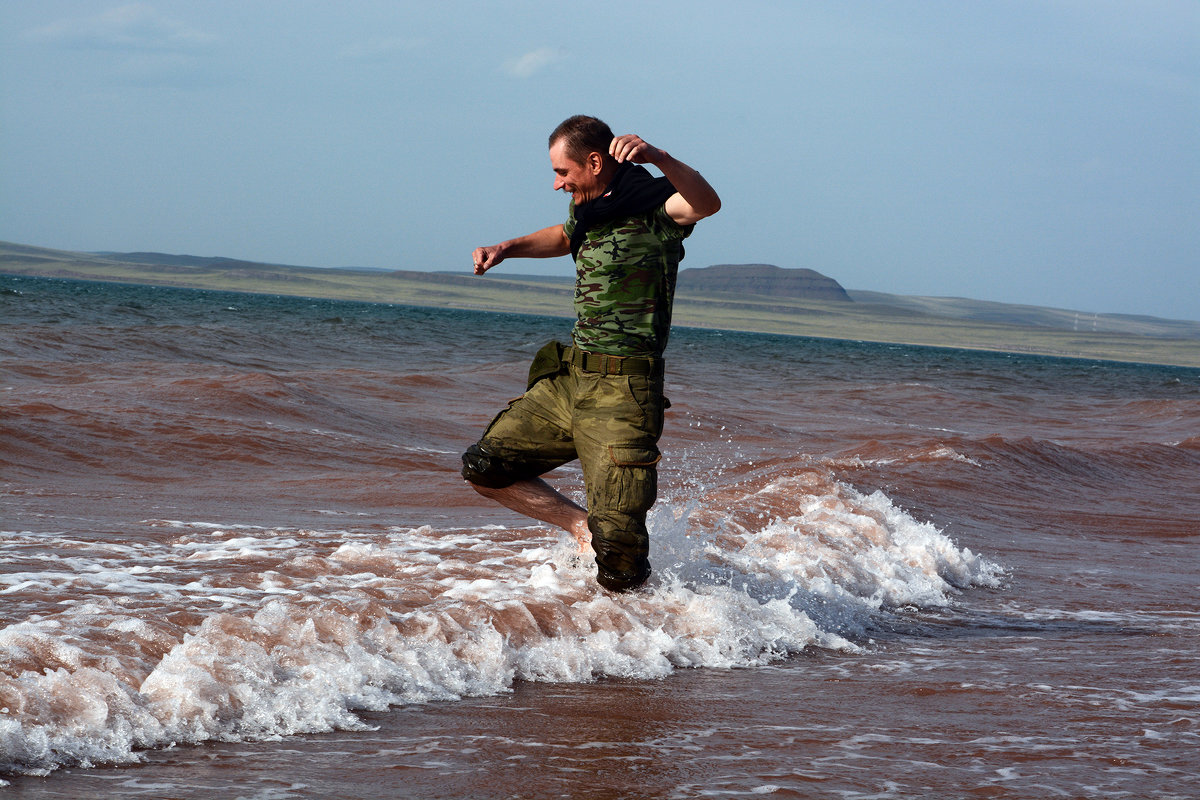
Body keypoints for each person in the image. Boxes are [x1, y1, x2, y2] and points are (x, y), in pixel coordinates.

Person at [461, 115, 721, 591]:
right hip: (572, 378)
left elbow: (707, 203)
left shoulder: (656, 211)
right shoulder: (588, 208)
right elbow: (564, 236)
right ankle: (580, 527)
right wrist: (507, 247)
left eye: (563, 172)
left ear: (595, 161)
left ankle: (647, 645)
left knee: (620, 560)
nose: (557, 184)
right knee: (485, 467)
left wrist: (660, 157)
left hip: (624, 393)